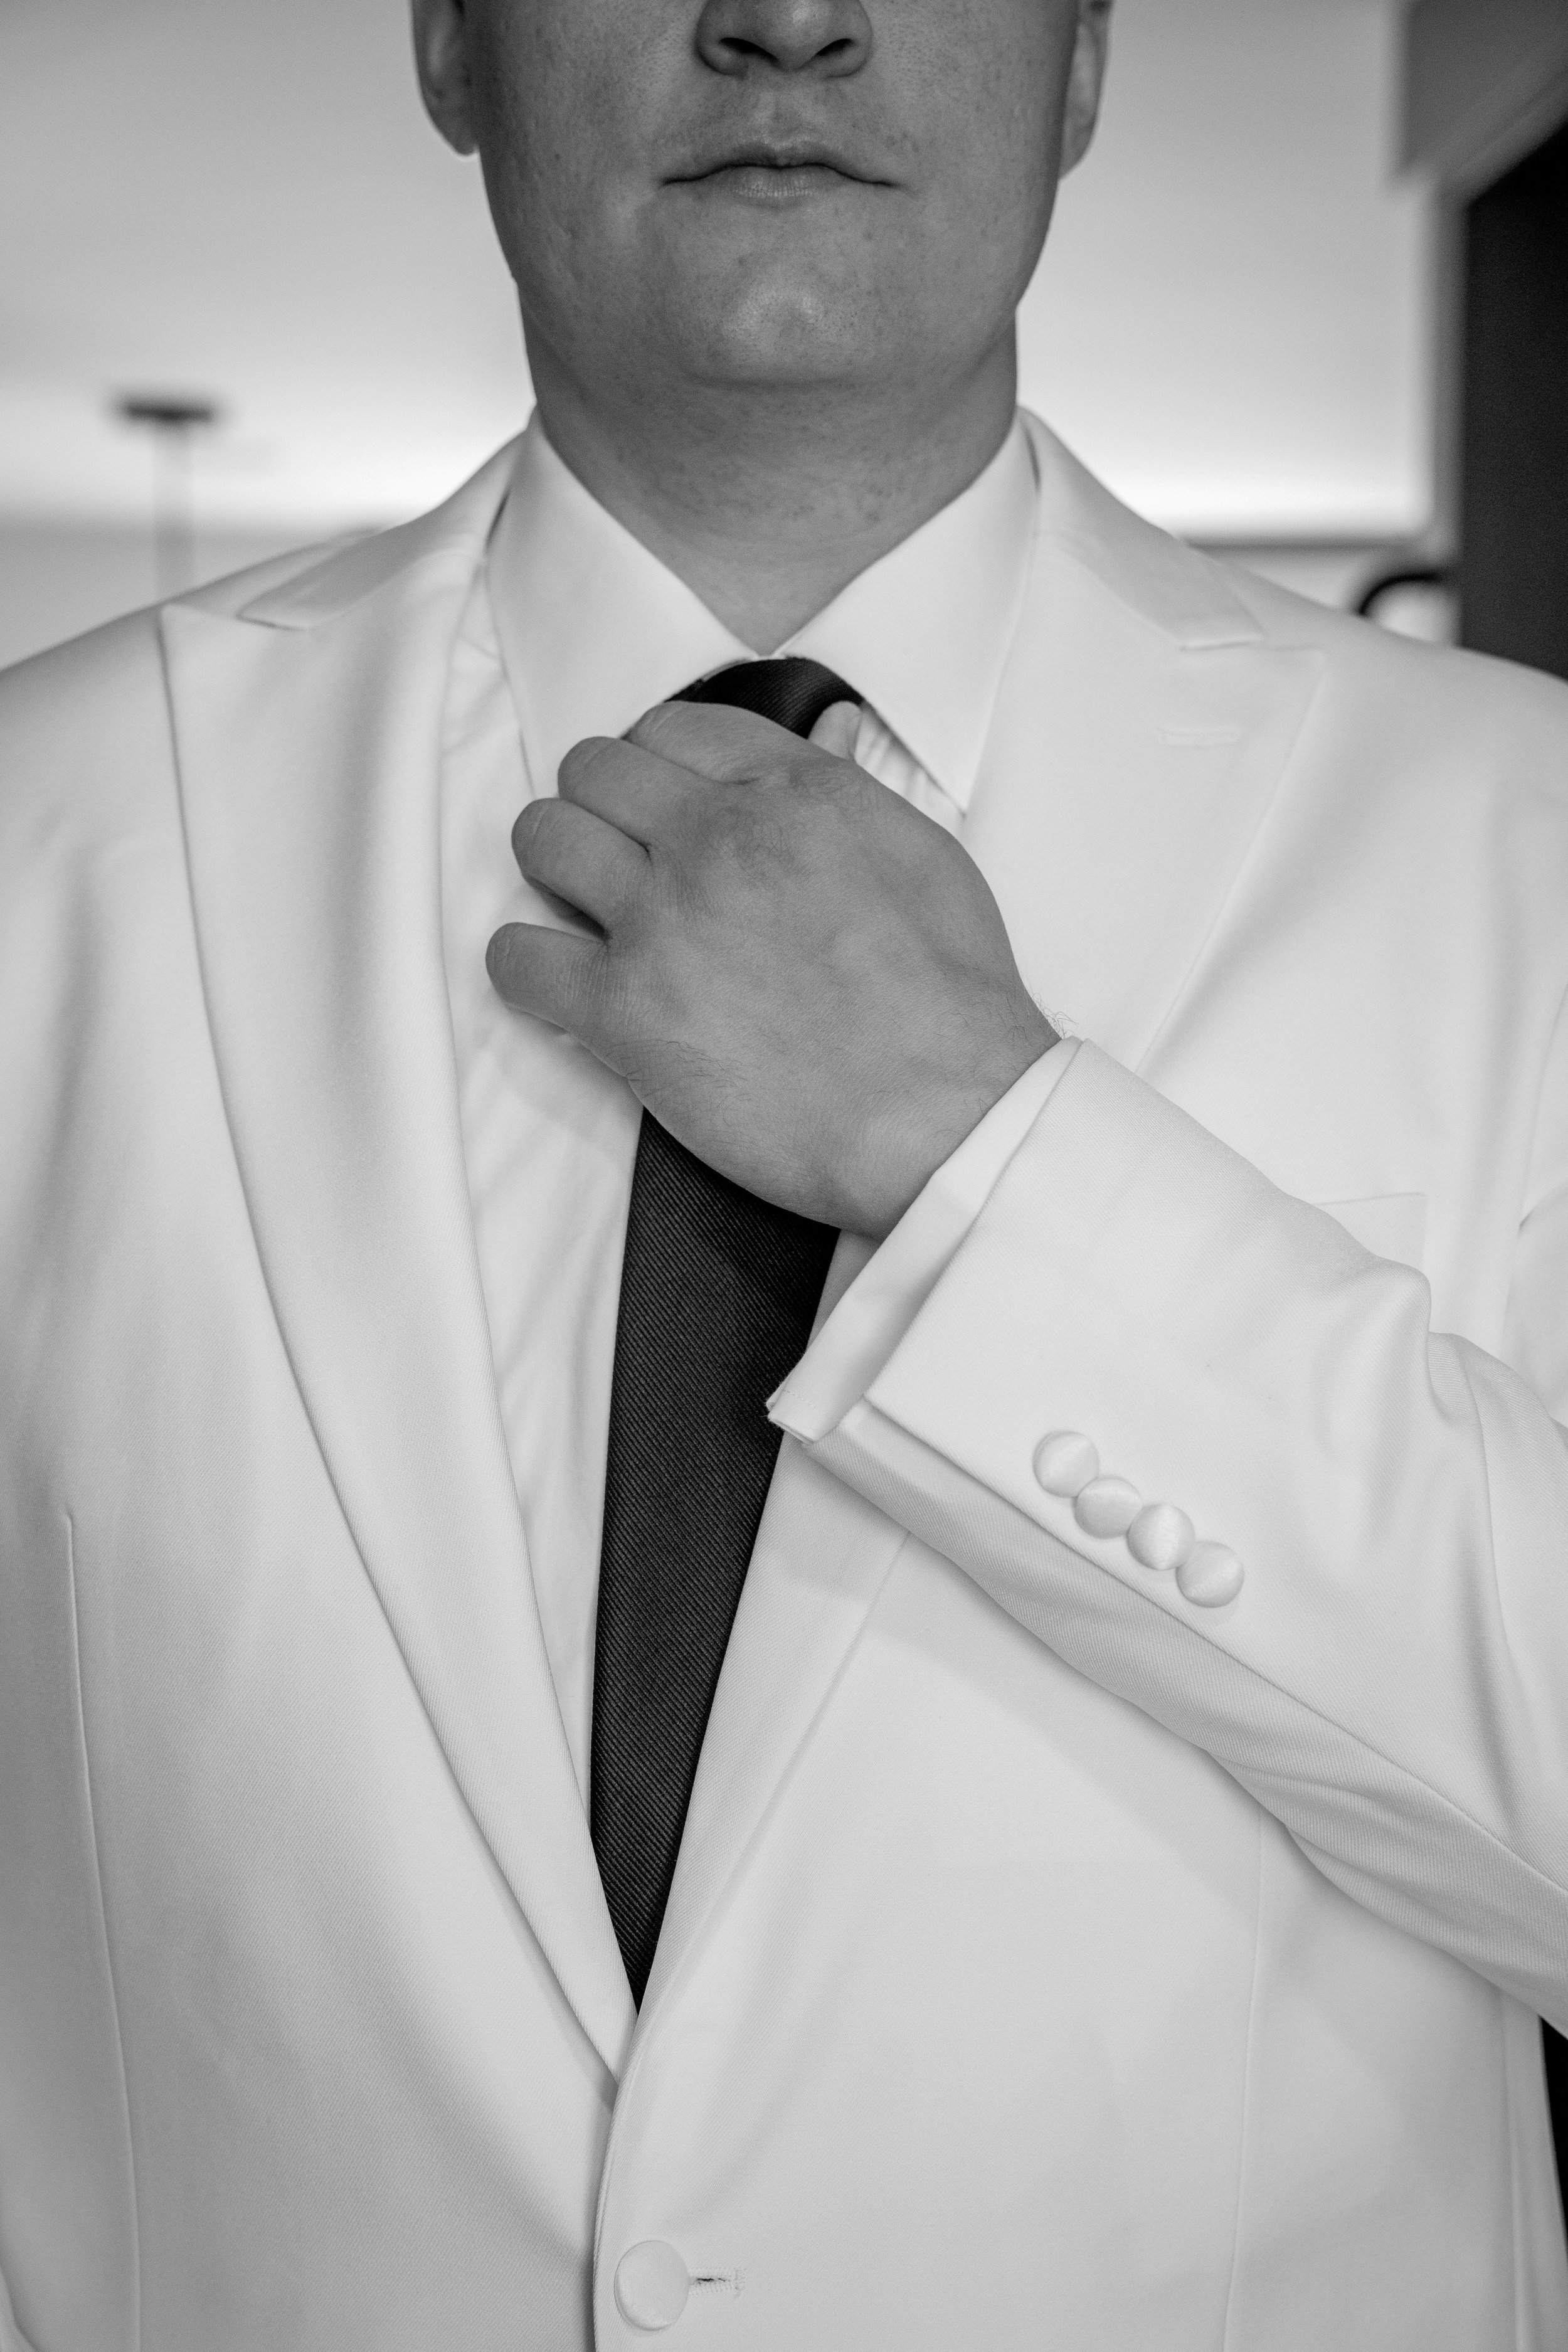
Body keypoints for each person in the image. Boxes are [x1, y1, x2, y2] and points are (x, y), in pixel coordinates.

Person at [3, 0, 1567, 2342]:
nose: (790, 16)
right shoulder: (39, 840)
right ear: (450, 40)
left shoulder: (1529, 840)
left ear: (1082, 62)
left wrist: (970, 1155)